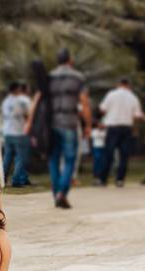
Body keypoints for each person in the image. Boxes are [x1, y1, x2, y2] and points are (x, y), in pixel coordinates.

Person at [47, 48, 91, 209]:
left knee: (53, 159)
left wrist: (31, 123)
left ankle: (56, 193)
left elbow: (38, 99)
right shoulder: (77, 77)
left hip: (51, 124)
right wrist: (88, 125)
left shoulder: (49, 77)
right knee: (70, 159)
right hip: (69, 124)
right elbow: (84, 103)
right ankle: (62, 193)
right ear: (70, 60)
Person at [98, 77, 144, 187]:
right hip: (126, 128)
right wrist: (134, 128)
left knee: (108, 153)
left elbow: (102, 109)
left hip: (113, 127)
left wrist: (106, 117)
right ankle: (120, 179)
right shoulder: (133, 97)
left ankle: (103, 179)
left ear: (118, 84)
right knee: (124, 155)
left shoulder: (111, 94)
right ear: (128, 85)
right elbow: (137, 115)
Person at [0, 82, 31, 187]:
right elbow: (27, 114)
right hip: (18, 132)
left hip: (7, 132)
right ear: (17, 89)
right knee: (21, 157)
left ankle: (2, 178)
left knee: (7, 157)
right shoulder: (20, 101)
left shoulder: (5, 101)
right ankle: (16, 180)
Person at [25, 59, 52, 159]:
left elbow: (36, 99)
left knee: (39, 130)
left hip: (42, 110)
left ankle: (43, 151)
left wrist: (29, 122)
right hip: (49, 109)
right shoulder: (49, 79)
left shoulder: (40, 84)